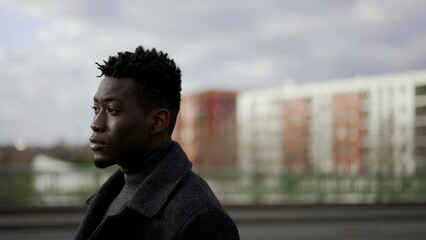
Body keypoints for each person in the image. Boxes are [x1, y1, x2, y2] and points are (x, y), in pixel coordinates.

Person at [74, 46, 240, 240]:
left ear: (157, 122)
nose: (95, 124)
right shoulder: (113, 192)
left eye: (112, 110)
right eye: (96, 109)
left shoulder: (201, 219)